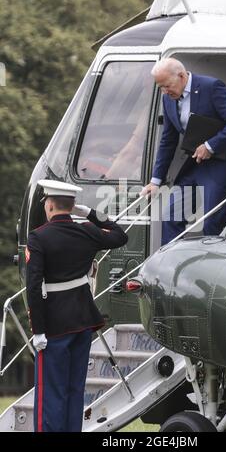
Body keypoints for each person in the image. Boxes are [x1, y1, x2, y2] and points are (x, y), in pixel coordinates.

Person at [26, 179, 128, 432]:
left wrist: (38, 329)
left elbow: (33, 286)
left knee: (51, 393)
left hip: (53, 327)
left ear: (49, 205)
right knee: (74, 390)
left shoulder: (39, 237)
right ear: (72, 206)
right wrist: (91, 214)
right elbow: (120, 235)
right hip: (82, 321)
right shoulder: (87, 231)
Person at [142, 58, 226, 245]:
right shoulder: (167, 98)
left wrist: (210, 145)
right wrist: (155, 180)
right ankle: (168, 267)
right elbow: (168, 140)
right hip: (195, 164)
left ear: (181, 76)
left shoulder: (211, 87)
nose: (164, 91)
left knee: (211, 223)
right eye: (160, 87)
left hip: (223, 165)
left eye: (167, 85)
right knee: (171, 216)